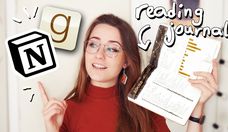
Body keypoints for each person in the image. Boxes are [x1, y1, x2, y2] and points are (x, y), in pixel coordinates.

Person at [38, 14, 218, 132]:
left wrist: (197, 106)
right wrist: (51, 130)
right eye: (93, 44)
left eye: (112, 49)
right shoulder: (66, 111)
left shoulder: (145, 106)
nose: (99, 55)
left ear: (126, 60)